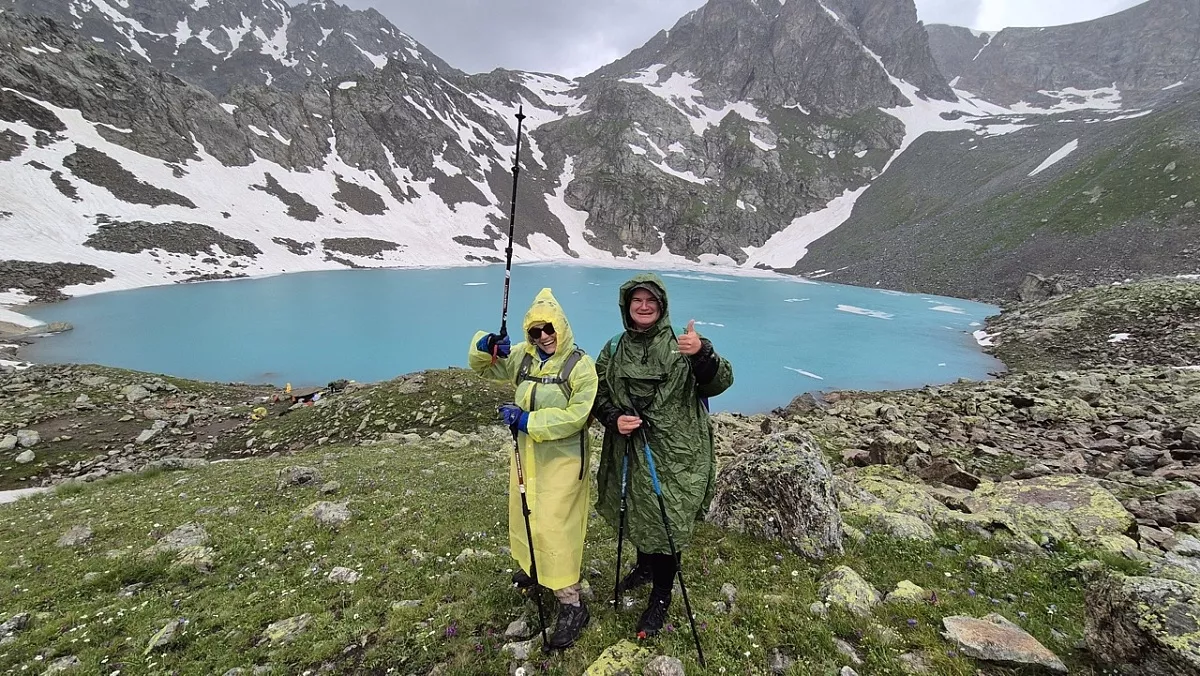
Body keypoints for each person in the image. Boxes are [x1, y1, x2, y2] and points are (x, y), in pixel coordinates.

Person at [592, 273, 734, 639]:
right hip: (630, 445)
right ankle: (644, 567)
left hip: (678, 451)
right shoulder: (614, 348)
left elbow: (719, 382)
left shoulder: (683, 344)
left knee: (668, 517)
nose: (643, 306)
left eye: (650, 301)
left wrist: (702, 353)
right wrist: (612, 418)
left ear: (662, 305)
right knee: (637, 506)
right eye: (636, 301)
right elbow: (597, 391)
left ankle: (661, 594)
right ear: (627, 306)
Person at [468, 288, 598, 651]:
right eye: (535, 331)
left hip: (564, 461)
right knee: (526, 515)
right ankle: (534, 569)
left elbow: (576, 416)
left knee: (556, 527)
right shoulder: (523, 359)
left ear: (561, 326)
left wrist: (527, 421)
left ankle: (572, 604)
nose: (543, 336)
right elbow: (484, 367)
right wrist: (486, 345)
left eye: (549, 328)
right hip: (527, 458)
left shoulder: (580, 366)